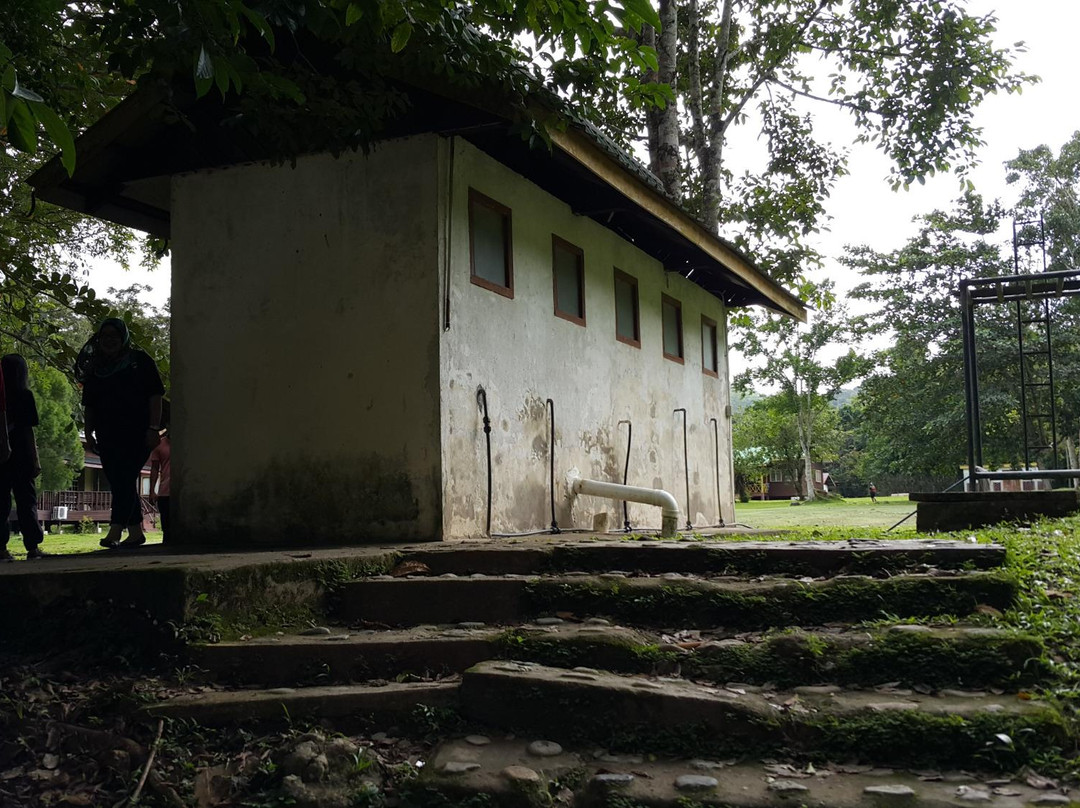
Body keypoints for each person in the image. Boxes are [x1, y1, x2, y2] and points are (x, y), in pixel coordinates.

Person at [75, 318, 164, 549]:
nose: (109, 340)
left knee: (124, 477)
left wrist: (154, 428)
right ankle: (135, 532)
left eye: (114, 336)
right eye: (105, 336)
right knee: (118, 480)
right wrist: (88, 431)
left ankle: (115, 529)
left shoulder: (140, 362)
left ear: (123, 337)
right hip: (107, 435)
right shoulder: (96, 368)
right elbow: (90, 404)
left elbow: (155, 395)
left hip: (138, 433)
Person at [0, 355, 38, 560]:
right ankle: (32, 548)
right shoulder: (25, 395)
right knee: (27, 501)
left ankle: (1, 549)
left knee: (1, 502)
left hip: (1, 456)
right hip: (22, 454)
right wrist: (36, 460)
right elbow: (29, 432)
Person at [148, 403, 171, 542]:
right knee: (167, 528)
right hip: (165, 491)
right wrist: (152, 490)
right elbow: (154, 469)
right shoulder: (159, 445)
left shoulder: (188, 444)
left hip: (183, 491)